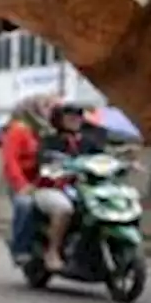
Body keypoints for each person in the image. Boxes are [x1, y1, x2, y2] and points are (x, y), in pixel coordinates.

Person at [35, 104, 101, 270]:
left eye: (78, 116)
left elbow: (104, 158)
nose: (75, 120)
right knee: (63, 209)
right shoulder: (50, 141)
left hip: (84, 190)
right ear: (59, 120)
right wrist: (57, 163)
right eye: (70, 117)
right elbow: (44, 160)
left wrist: (126, 161)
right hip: (53, 188)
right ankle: (53, 252)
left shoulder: (88, 142)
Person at [0, 94, 56, 266]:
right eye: (45, 106)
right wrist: (22, 185)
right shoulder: (19, 129)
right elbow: (10, 161)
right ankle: (20, 248)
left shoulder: (48, 130)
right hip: (24, 183)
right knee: (25, 205)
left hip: (47, 181)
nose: (49, 111)